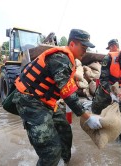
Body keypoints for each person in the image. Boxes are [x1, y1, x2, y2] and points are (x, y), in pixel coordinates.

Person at [12, 29, 102, 166]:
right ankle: (51, 160)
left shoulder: (68, 60)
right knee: (50, 151)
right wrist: (87, 117)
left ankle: (62, 162)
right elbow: (68, 96)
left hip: (46, 102)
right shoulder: (60, 59)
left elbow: (67, 91)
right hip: (31, 102)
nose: (85, 51)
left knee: (65, 131)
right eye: (83, 47)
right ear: (72, 44)